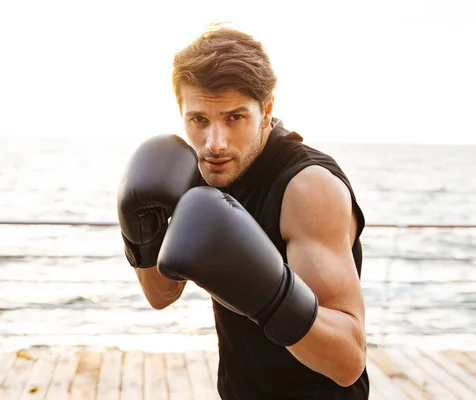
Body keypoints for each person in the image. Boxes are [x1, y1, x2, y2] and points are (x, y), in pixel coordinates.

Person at [117, 25, 369, 399]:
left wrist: (271, 297)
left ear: (266, 110)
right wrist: (139, 233)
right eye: (199, 120)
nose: (214, 144)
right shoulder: (197, 171)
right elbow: (161, 295)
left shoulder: (307, 187)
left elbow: (348, 362)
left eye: (235, 118)